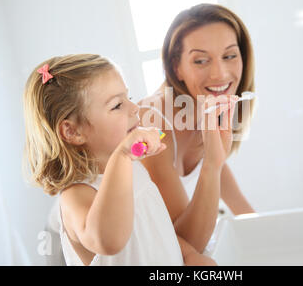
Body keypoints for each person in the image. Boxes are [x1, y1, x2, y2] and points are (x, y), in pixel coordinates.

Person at [23, 54, 214, 265]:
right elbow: (109, 241)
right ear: (72, 131)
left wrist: (190, 256)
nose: (134, 108)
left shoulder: (135, 169)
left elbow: (157, 231)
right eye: (116, 105)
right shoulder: (76, 195)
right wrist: (122, 156)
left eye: (128, 99)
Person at [139, 3, 256, 253]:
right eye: (201, 60)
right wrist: (213, 164)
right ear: (176, 68)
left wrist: (270, 238)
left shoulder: (203, 109)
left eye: (230, 56)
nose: (220, 74)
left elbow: (227, 185)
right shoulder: (153, 122)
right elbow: (187, 244)